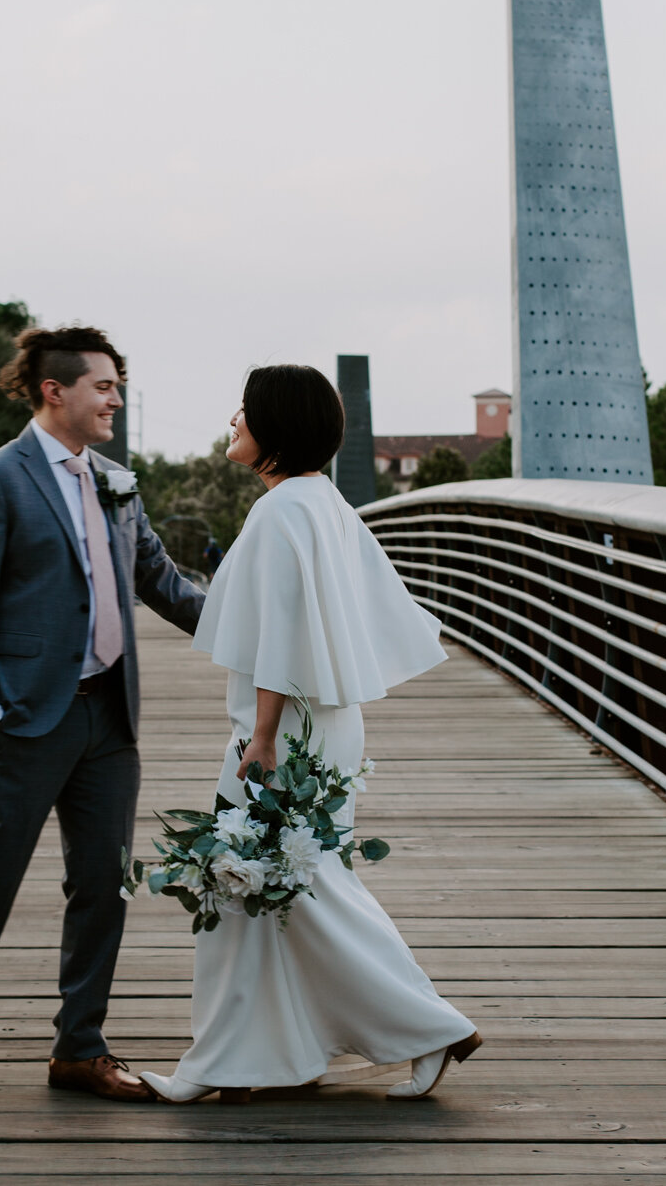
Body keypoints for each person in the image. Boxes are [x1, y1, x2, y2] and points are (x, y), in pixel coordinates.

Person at [139, 364, 481, 1104]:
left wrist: (259, 738)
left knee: (261, 887)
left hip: (281, 731)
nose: (234, 417)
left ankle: (426, 1024)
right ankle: (275, 1055)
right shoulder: (324, 502)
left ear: (276, 427)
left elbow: (283, 634)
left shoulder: (278, 513)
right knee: (291, 887)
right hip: (327, 726)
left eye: (248, 408)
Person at [0, 325, 205, 1106]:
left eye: (117, 386)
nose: (116, 398)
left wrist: (256, 627)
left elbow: (164, 583)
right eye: (104, 386)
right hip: (24, 719)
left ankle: (81, 1046)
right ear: (56, 390)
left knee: (102, 884)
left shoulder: (117, 480)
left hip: (110, 716)